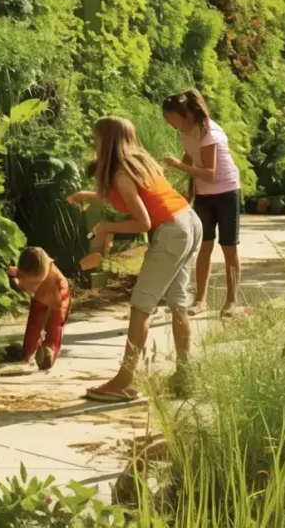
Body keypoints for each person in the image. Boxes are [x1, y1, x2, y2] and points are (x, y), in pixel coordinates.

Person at [68, 116, 202, 402]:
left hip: (170, 231)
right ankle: (185, 375)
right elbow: (139, 198)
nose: (94, 142)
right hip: (189, 222)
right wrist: (92, 195)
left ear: (107, 141)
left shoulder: (121, 174)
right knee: (178, 303)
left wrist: (107, 228)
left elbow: (141, 221)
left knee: (141, 306)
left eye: (97, 138)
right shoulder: (139, 161)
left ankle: (124, 382)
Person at [161, 89, 242, 318]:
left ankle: (231, 302)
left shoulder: (209, 133)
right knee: (204, 246)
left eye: (170, 117)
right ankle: (200, 300)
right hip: (204, 196)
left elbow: (209, 173)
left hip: (226, 193)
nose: (168, 122)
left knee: (229, 247)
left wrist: (178, 165)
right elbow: (189, 156)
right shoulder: (186, 131)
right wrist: (169, 172)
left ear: (184, 114)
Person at [7, 247, 71, 370]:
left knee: (55, 326)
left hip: (58, 296)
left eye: (38, 283)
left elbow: (58, 312)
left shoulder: (57, 282)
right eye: (32, 283)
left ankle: (48, 353)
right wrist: (12, 278)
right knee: (34, 324)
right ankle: (28, 353)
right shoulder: (25, 273)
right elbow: (19, 282)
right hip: (40, 298)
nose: (34, 287)